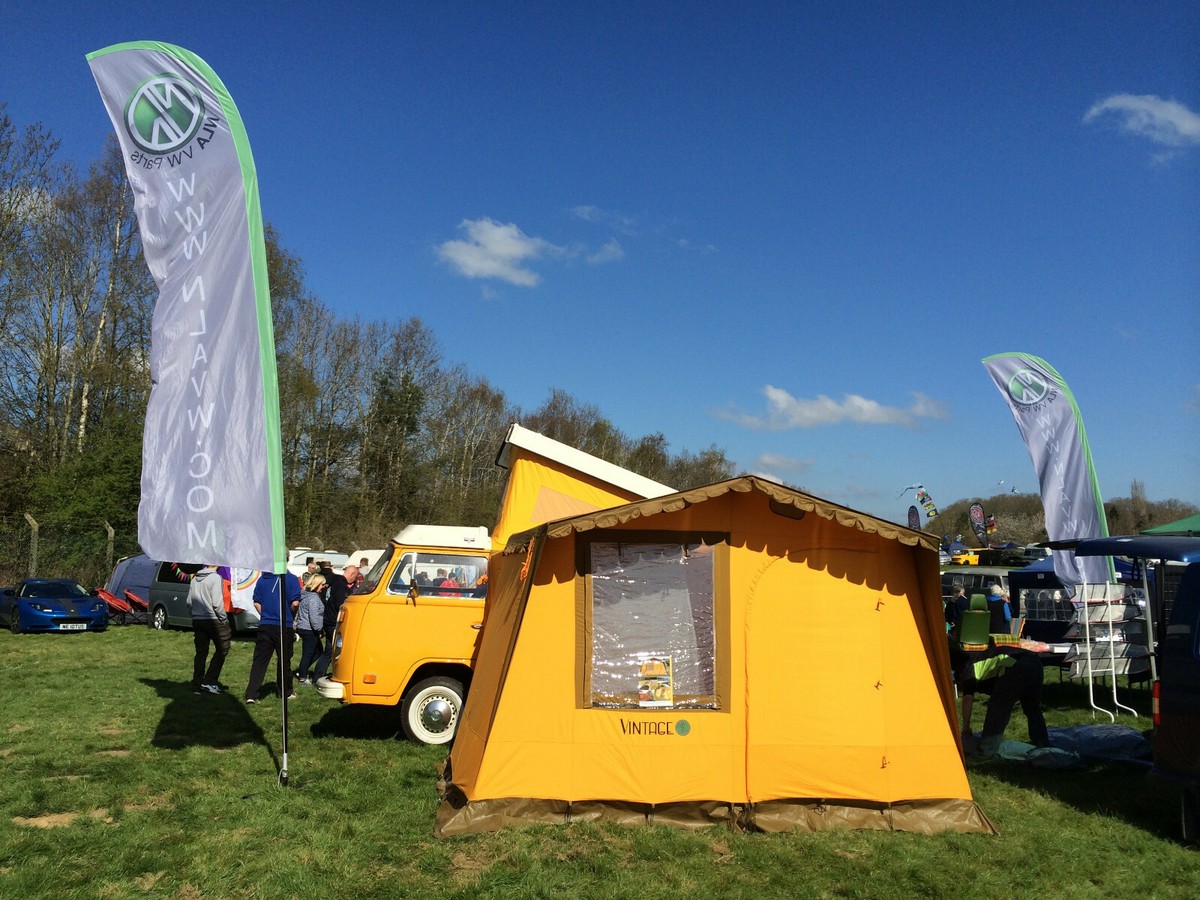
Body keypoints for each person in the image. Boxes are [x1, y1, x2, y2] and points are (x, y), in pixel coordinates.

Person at [950, 639, 1049, 756]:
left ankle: (987, 749)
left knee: (998, 707)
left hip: (1018, 665)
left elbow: (967, 699)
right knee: (1031, 707)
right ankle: (1042, 742)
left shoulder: (968, 670)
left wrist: (966, 727)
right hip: (1035, 662)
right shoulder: (979, 659)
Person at [244, 570, 302, 704]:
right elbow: (295, 603)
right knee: (284, 660)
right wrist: (290, 616)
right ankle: (285, 692)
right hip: (284, 625)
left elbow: (256, 602)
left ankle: (252, 694)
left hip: (266, 624)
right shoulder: (292, 579)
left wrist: (265, 615)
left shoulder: (263, 579)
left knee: (260, 660)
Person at [188, 565, 230, 695]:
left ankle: (197, 684)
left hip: (198, 619)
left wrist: (194, 615)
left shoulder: (195, 578)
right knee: (223, 649)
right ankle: (210, 681)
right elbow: (217, 603)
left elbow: (189, 602)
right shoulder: (215, 578)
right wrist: (224, 619)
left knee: (201, 653)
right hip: (213, 619)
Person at [312, 566, 353, 682]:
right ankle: (323, 675)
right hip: (333, 621)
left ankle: (318, 675)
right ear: (352, 574)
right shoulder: (340, 585)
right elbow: (340, 603)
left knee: (329, 651)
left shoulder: (334, 583)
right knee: (333, 651)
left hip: (328, 620)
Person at [294, 574, 327, 684]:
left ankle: (301, 670)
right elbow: (314, 616)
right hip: (309, 629)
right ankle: (302, 678)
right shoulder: (313, 598)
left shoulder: (306, 595)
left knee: (318, 651)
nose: (324, 586)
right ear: (317, 585)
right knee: (308, 654)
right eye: (322, 584)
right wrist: (319, 629)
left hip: (303, 627)